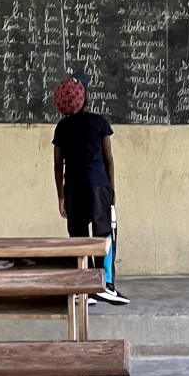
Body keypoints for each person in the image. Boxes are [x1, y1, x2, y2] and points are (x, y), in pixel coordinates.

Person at [52, 72, 128, 304]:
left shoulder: (62, 127)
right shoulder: (99, 123)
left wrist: (61, 196)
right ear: (86, 99)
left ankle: (83, 288)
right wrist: (111, 191)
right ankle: (105, 285)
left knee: (78, 237)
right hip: (98, 185)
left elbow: (58, 164)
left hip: (73, 187)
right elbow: (108, 159)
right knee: (103, 234)